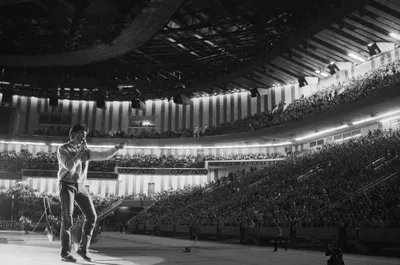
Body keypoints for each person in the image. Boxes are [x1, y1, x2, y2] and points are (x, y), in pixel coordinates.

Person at [57, 124, 125, 262]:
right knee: (67, 219)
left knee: (92, 216)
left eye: (85, 134)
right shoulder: (63, 149)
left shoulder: (85, 151)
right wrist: (80, 152)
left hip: (80, 186)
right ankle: (65, 253)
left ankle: (82, 248)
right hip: (66, 184)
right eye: (81, 133)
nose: (84, 136)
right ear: (73, 134)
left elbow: (103, 155)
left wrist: (115, 149)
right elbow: (69, 166)